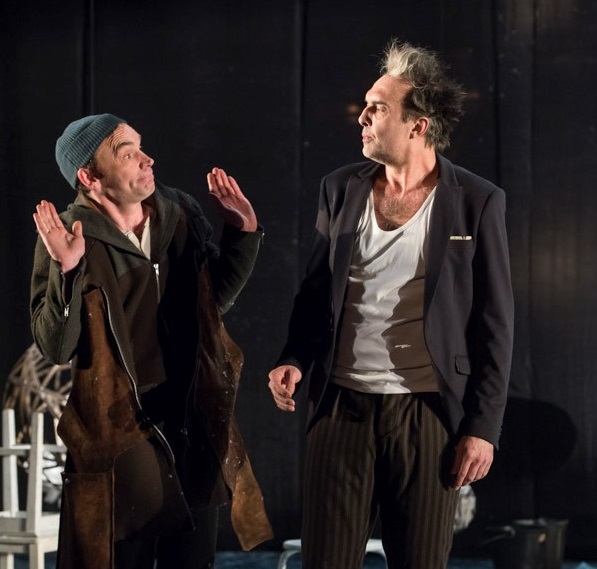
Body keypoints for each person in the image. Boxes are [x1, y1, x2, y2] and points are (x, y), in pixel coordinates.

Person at [268, 40, 514, 569]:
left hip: (427, 413)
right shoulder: (339, 189)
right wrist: (294, 357)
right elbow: (315, 292)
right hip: (340, 408)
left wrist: (483, 428)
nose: (362, 117)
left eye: (377, 108)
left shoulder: (476, 200)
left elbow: (494, 324)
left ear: (418, 125)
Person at [30, 114, 273, 569]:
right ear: (90, 177)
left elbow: (211, 302)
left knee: (192, 558)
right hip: (122, 432)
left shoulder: (177, 212)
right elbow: (56, 348)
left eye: (141, 147)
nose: (148, 159)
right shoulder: (67, 235)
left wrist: (242, 234)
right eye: (128, 154)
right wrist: (68, 272)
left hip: (191, 416)